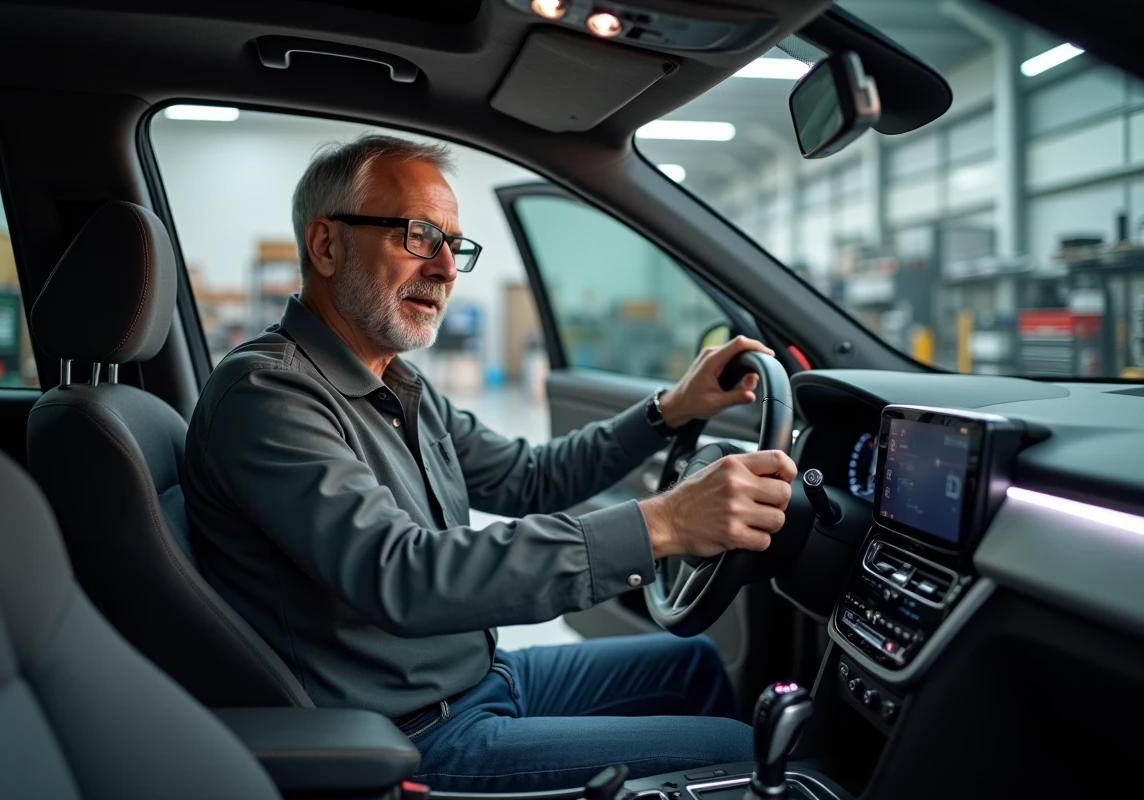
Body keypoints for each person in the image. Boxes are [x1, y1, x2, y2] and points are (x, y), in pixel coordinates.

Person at [183, 134, 798, 793]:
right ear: (327, 244)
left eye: (455, 247)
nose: (447, 269)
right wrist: (663, 526)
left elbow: (530, 477)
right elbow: (403, 574)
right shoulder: (270, 395)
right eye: (420, 236)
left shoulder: (397, 385)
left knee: (694, 666)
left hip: (481, 677)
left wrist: (669, 409)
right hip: (417, 734)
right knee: (741, 751)